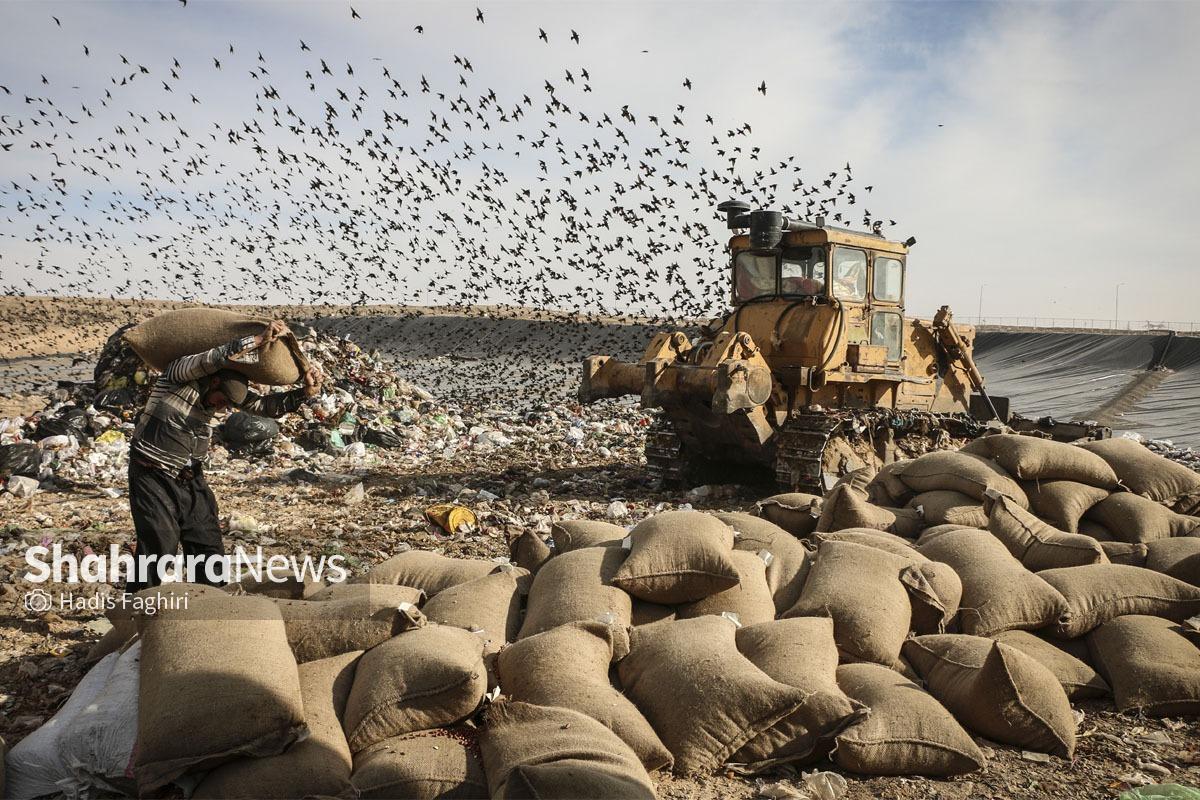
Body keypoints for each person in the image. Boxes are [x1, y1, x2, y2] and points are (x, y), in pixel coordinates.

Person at [125, 320, 321, 593]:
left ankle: (210, 600)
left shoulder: (227, 394)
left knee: (207, 542)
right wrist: (256, 340)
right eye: (221, 400)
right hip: (151, 471)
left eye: (228, 405)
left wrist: (305, 393)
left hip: (189, 476)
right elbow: (213, 358)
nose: (222, 407)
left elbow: (265, 406)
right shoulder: (177, 376)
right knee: (160, 541)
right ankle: (137, 606)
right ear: (213, 381)